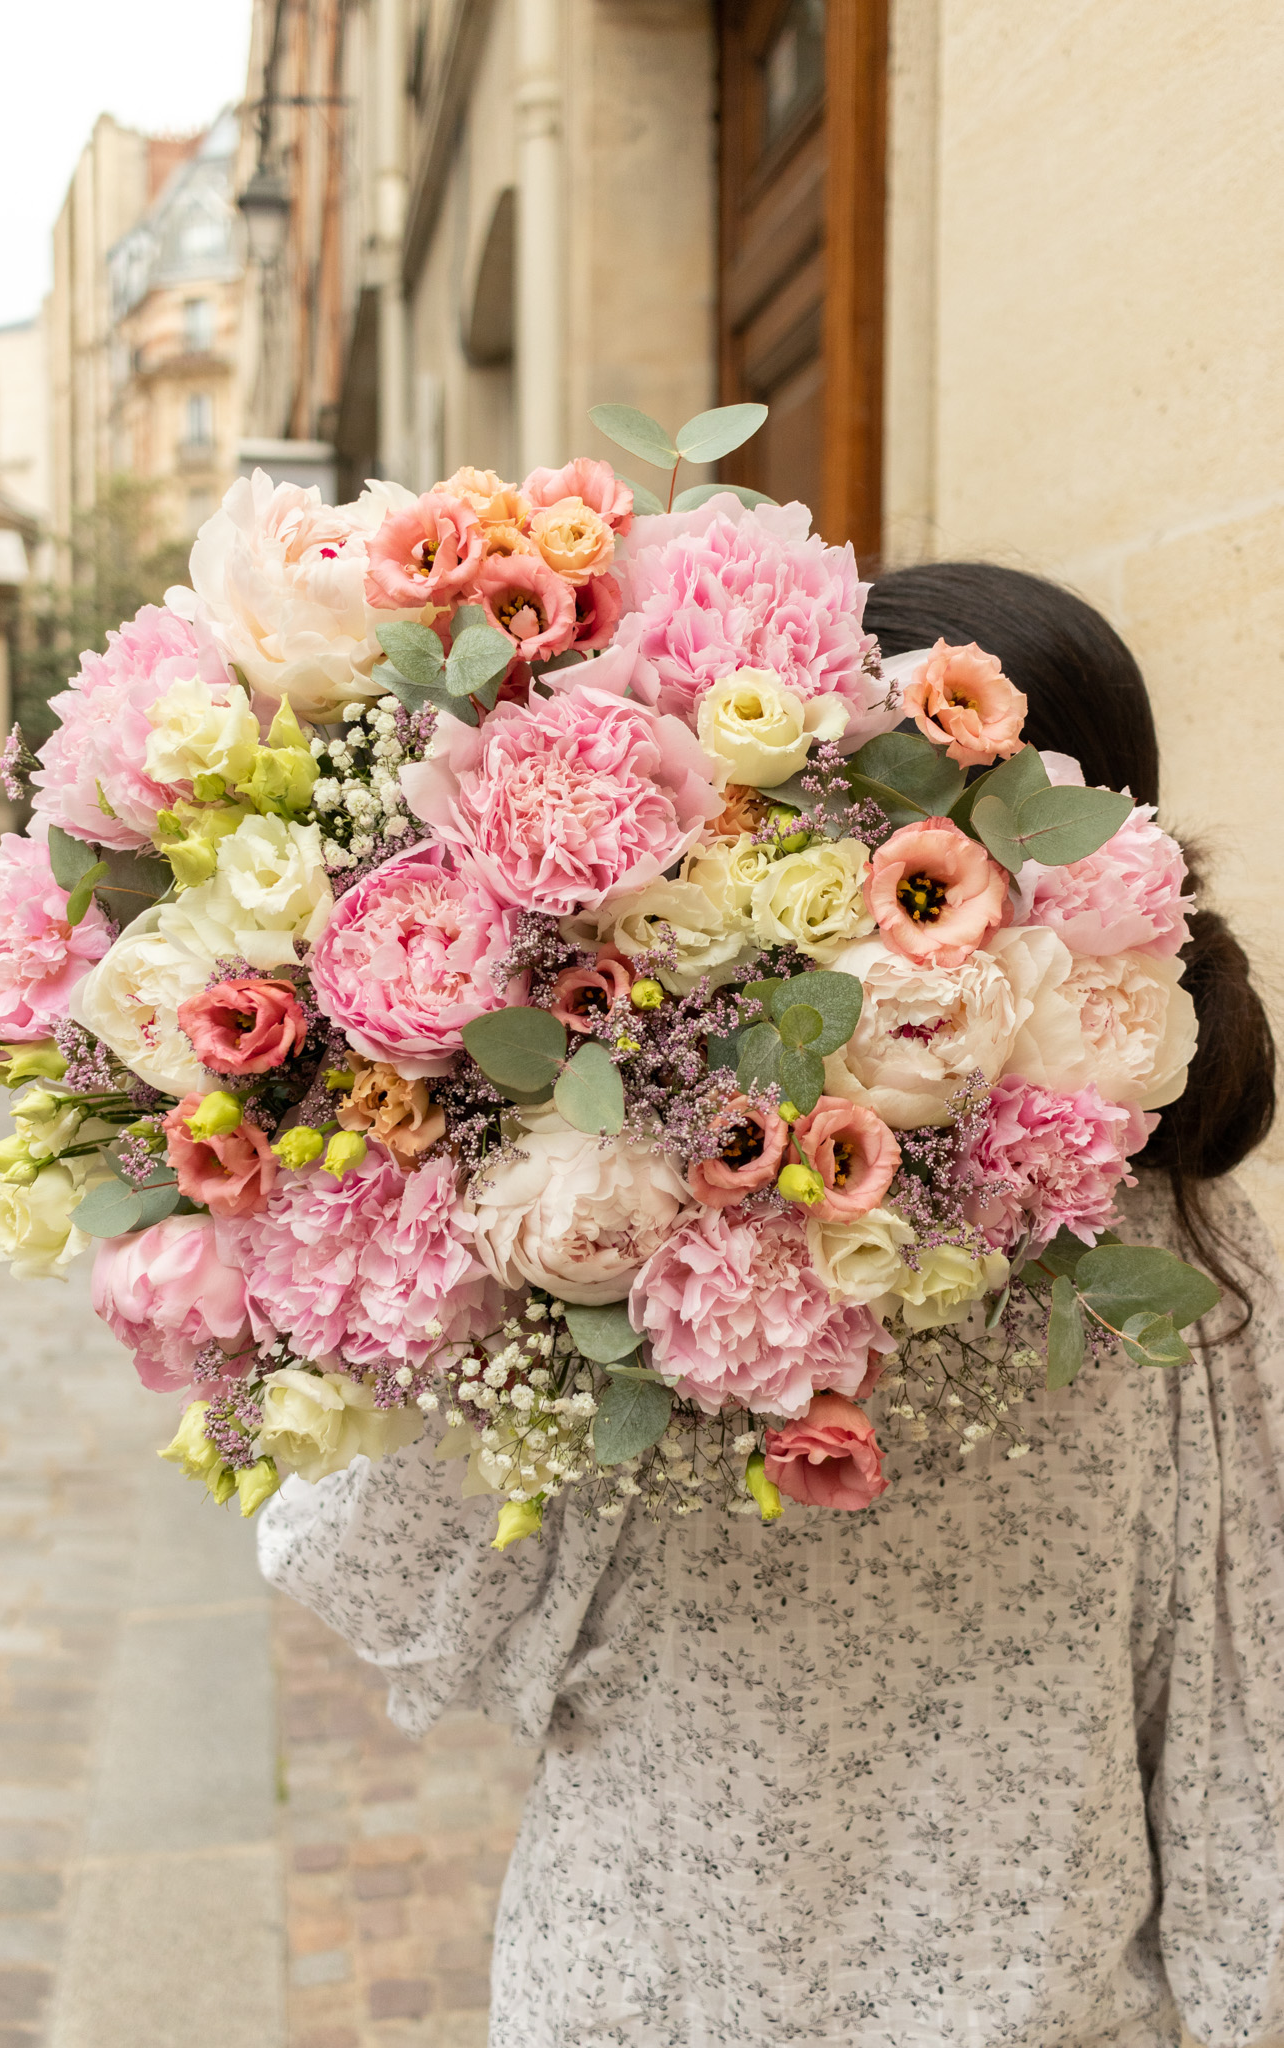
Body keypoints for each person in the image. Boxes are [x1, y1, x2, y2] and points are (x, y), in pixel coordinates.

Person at [257, 563, 1284, 2047]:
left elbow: (387, 1579)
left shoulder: (623, 1214)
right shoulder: (1185, 1256)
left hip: (649, 1996)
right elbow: (1239, 1755)